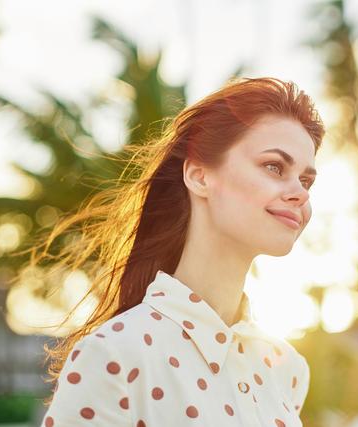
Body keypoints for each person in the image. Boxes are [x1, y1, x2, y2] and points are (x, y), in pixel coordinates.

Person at [36, 77, 325, 426]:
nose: (300, 193)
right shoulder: (113, 355)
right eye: (274, 167)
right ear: (199, 176)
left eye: (306, 180)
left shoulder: (286, 369)